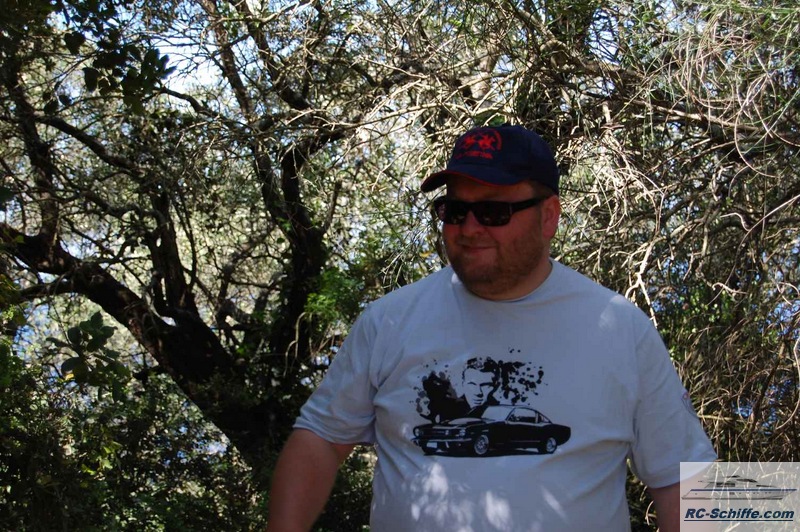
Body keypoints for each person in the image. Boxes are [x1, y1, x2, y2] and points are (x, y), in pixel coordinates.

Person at [266, 124, 716, 531]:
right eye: (454, 210)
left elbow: (688, 477)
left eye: (493, 212)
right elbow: (320, 437)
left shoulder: (620, 328)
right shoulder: (388, 320)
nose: (469, 228)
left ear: (549, 216)